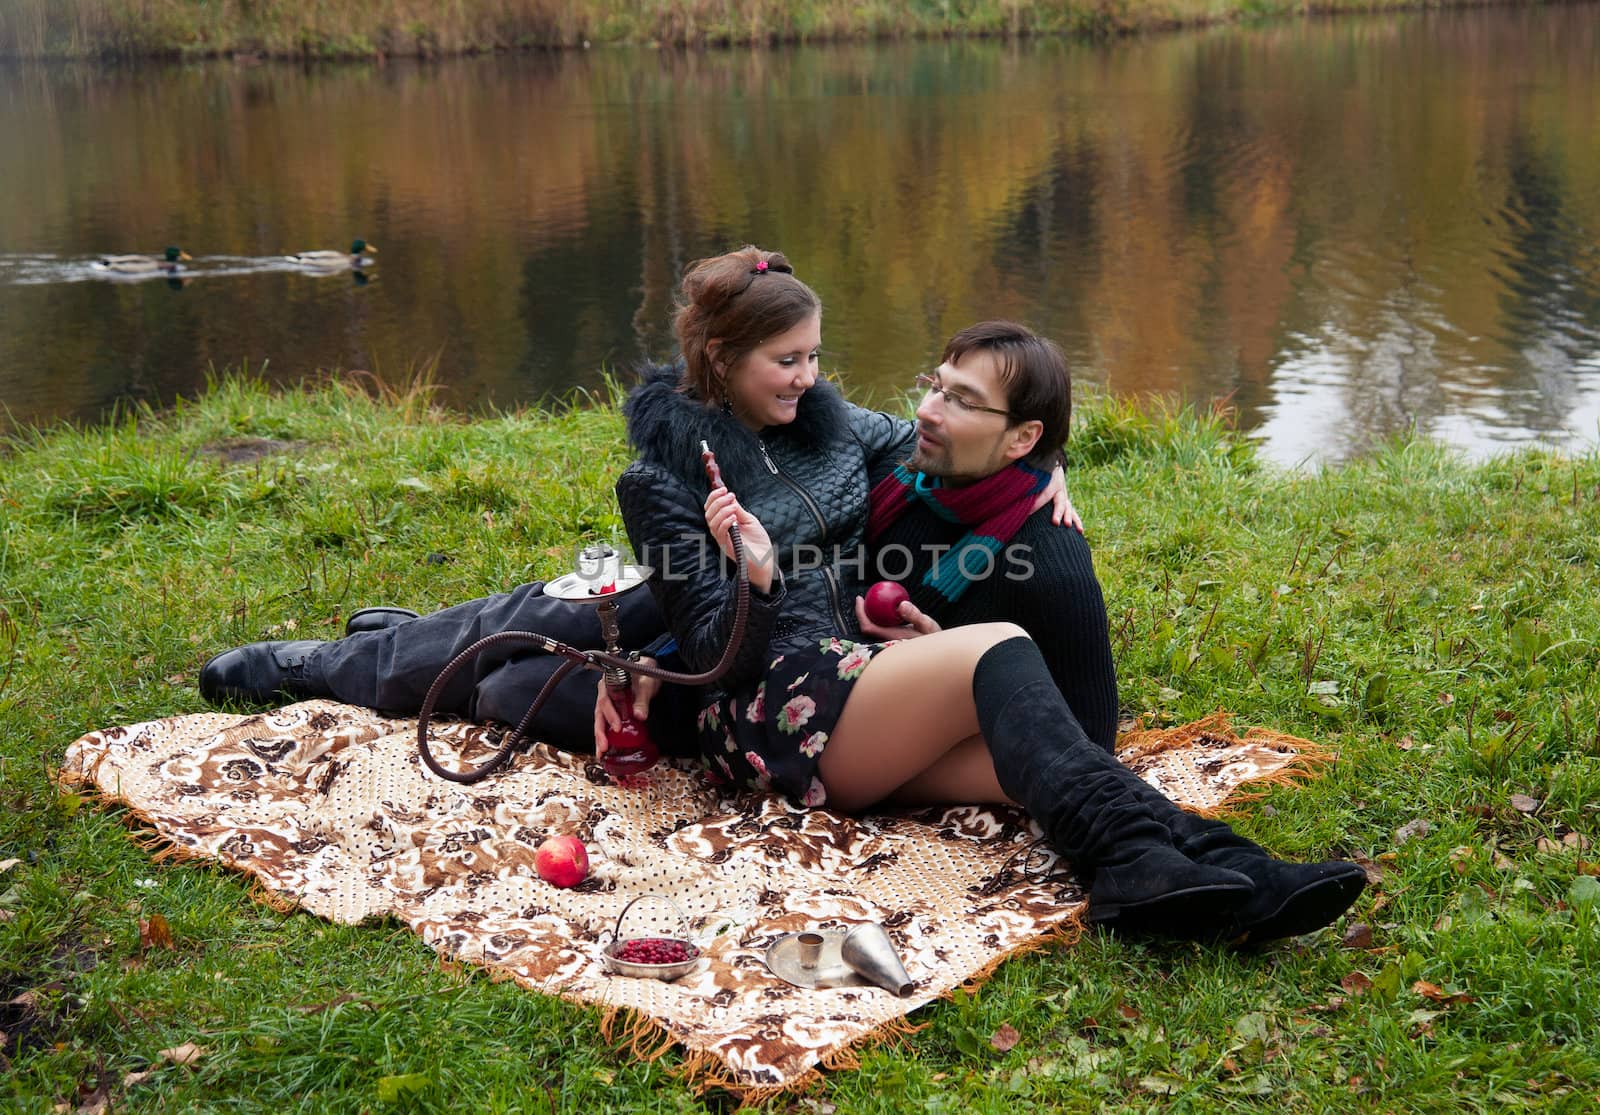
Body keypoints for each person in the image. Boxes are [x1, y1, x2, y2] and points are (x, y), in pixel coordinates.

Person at [611, 245, 1365, 943]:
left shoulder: (826, 426)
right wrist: (758, 575)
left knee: (1052, 754)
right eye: (786, 360)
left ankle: (1211, 872)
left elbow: (954, 432)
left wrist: (1043, 463)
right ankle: (1153, 870)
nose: (808, 377)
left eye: (814, 354)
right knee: (999, 648)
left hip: (855, 679)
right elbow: (711, 655)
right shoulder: (659, 484)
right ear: (719, 356)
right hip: (770, 710)